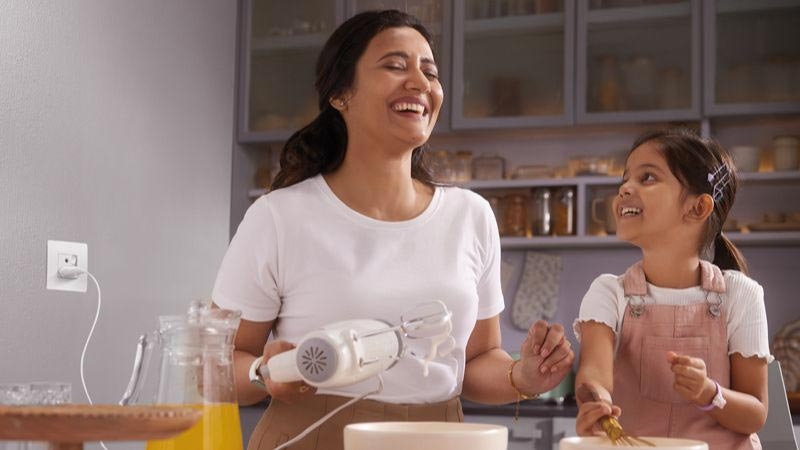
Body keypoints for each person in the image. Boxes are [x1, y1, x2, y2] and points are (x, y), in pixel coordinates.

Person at [212, 9, 574, 450]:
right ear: (341, 94)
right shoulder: (280, 217)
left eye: (430, 71)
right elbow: (213, 366)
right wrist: (263, 374)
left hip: (442, 437)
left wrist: (524, 375)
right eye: (395, 65)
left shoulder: (470, 216)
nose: (421, 83)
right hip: (315, 434)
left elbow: (477, 362)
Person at [573, 129, 771, 449]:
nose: (625, 188)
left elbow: (755, 414)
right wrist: (595, 403)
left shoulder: (741, 295)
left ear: (697, 208)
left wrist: (710, 393)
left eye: (647, 177)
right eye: (625, 179)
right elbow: (595, 374)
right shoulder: (608, 293)